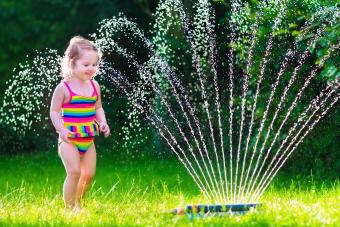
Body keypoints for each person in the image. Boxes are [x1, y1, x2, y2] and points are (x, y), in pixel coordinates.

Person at [50, 36, 110, 210]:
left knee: (89, 175)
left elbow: (98, 107)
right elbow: (54, 111)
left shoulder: (94, 86)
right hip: (69, 139)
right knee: (74, 172)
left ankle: (78, 201)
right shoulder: (64, 88)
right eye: (86, 65)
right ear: (72, 63)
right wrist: (61, 130)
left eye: (94, 64)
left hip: (88, 139)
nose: (91, 68)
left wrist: (103, 122)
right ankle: (69, 209)